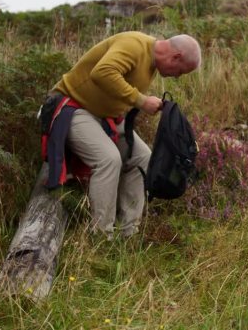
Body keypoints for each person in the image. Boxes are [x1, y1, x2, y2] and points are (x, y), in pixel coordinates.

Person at [49, 31, 201, 237]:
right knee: (108, 159)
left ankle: (128, 232)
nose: (176, 76)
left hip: (104, 117)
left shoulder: (152, 63)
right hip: (74, 107)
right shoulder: (134, 45)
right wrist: (141, 100)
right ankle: (102, 236)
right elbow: (102, 72)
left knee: (143, 157)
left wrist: (143, 102)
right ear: (176, 57)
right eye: (180, 72)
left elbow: (119, 90)